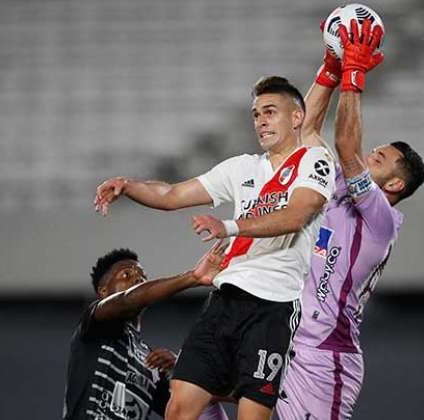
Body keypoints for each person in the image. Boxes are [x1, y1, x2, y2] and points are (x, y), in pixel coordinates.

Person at [93, 77, 336, 420]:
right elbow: (171, 195)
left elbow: (297, 216)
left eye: (270, 112)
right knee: (178, 408)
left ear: (297, 117)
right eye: (255, 115)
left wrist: (229, 226)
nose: (261, 121)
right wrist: (128, 186)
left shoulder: (315, 161)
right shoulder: (242, 168)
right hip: (224, 304)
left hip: (273, 310)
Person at [276, 19, 424, 420]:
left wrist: (354, 73)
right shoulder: (337, 185)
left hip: (325, 355)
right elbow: (303, 131)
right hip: (282, 335)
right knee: (190, 397)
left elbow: (345, 143)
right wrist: (329, 68)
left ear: (395, 183)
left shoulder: (382, 219)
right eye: (371, 149)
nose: (368, 154)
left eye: (379, 158)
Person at [62, 243, 230, 420]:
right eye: (126, 275)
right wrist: (193, 277)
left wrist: (181, 370)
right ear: (103, 292)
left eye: (143, 277)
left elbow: (197, 399)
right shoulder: (94, 322)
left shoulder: (150, 365)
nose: (137, 279)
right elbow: (127, 301)